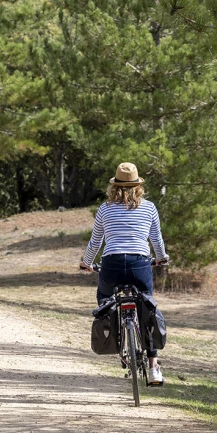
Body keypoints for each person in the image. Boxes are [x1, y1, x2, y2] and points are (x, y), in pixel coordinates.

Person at [80, 162, 170, 386]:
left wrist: (87, 262)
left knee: (105, 300)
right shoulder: (149, 208)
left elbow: (96, 241)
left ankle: (116, 339)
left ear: (115, 186)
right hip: (140, 263)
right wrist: (161, 258)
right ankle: (153, 367)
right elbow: (156, 240)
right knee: (147, 309)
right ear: (138, 186)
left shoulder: (105, 208)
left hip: (111, 264)